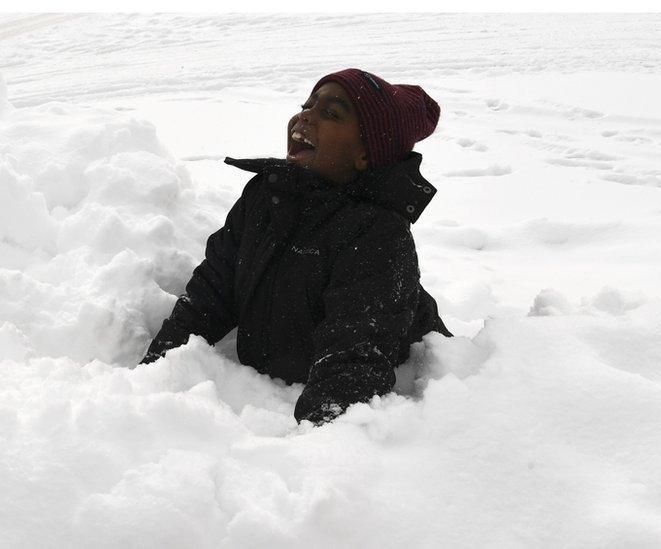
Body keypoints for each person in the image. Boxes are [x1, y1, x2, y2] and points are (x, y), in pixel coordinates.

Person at [141, 68, 451, 425]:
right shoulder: (263, 198)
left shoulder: (377, 233)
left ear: (365, 155)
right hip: (274, 381)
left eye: (330, 113)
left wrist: (313, 447)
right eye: (307, 104)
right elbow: (212, 292)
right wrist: (153, 373)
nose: (305, 116)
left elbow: (356, 355)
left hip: (387, 405)